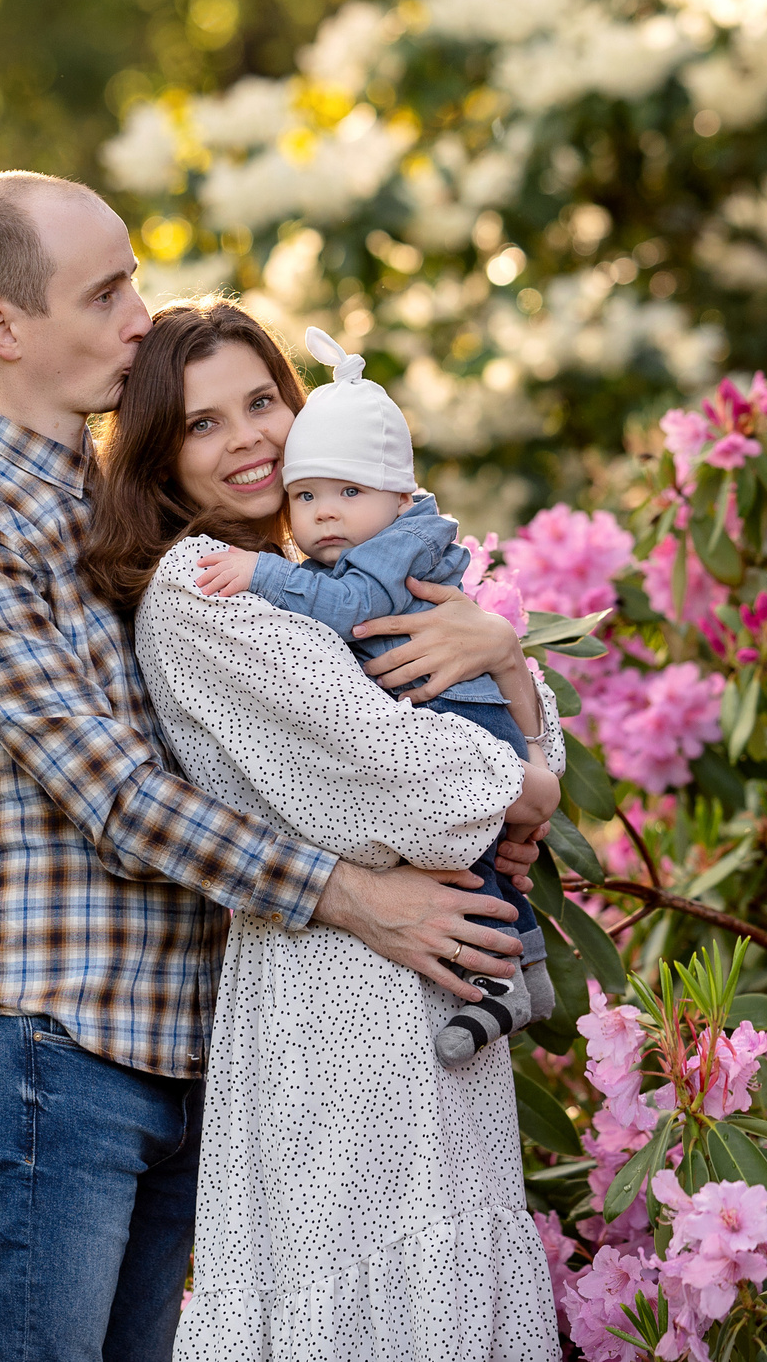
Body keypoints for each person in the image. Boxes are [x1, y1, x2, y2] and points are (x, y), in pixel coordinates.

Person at [0, 171, 543, 1362]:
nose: (139, 313)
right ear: (5, 328)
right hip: (50, 1038)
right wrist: (358, 898)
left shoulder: (127, 514)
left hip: (187, 1038)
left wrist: (507, 675)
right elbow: (119, 798)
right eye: (107, 291)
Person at [79, 296, 564, 1361]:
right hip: (331, 999)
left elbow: (503, 747)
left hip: (437, 974)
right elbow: (398, 785)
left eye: (262, 401)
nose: (249, 436)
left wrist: (507, 659)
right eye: (205, 423)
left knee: (447, 1281)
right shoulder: (203, 595)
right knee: (362, 1294)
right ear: (162, 462)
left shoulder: (352, 568)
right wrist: (523, 787)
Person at [191, 325, 554, 1069]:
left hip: (460, 721)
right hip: (466, 738)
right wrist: (529, 771)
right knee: (491, 856)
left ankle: (503, 980)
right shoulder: (339, 544)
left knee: (474, 861)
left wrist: (259, 574)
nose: (323, 513)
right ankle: (531, 964)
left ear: (396, 492)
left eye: (263, 400)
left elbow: (352, 607)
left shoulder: (378, 552)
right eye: (309, 496)